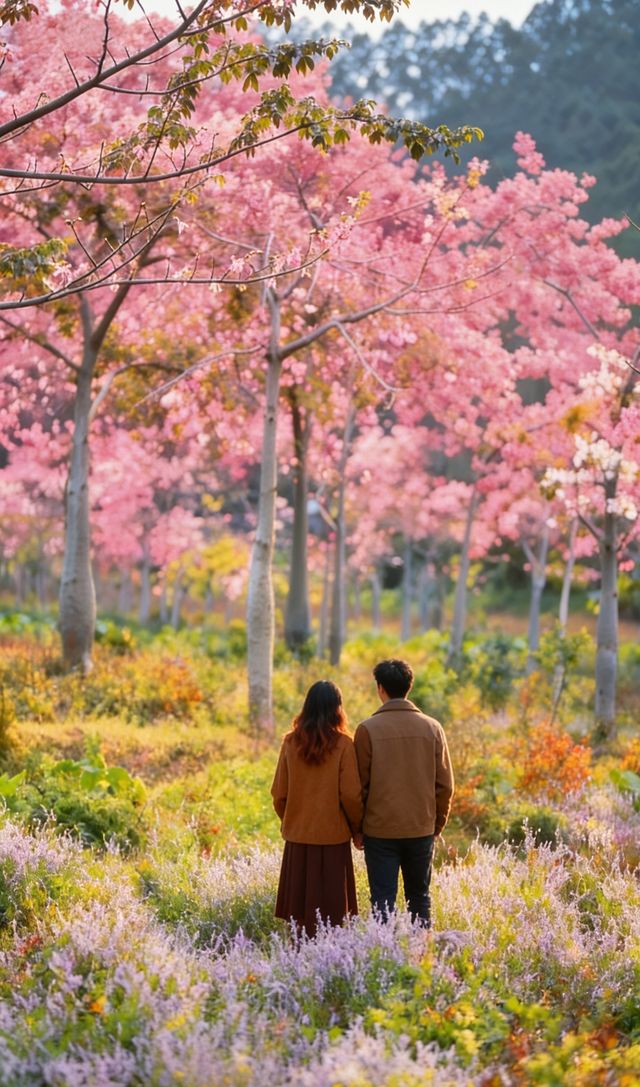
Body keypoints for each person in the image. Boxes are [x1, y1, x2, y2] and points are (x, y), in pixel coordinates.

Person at [353, 658, 454, 928]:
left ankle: (384, 959)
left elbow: (358, 787)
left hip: (379, 832)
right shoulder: (433, 728)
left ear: (380, 688)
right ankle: (421, 959)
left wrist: (357, 828)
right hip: (420, 829)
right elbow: (445, 785)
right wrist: (436, 824)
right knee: (419, 898)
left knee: (382, 901)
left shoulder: (366, 730)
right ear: (409, 686)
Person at [271, 679, 363, 937]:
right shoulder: (344, 744)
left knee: (298, 915)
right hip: (334, 840)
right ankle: (329, 960)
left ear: (307, 706)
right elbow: (352, 796)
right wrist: (357, 829)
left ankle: (297, 961)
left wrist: (292, 819)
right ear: (338, 708)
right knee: (334, 915)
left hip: (298, 839)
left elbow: (279, 794)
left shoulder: (290, 743)